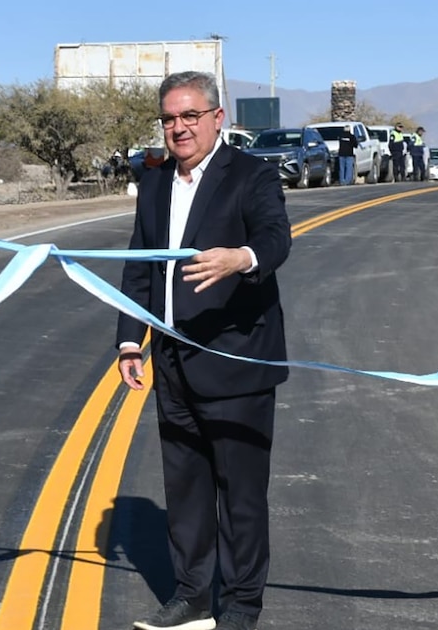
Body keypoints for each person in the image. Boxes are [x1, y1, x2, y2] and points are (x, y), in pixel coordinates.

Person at [117, 70, 291, 630]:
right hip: (172, 363)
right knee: (185, 491)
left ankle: (241, 607)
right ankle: (192, 598)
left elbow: (274, 238)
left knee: (240, 497)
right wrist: (130, 339)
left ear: (218, 118)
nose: (178, 128)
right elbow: (138, 268)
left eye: (190, 116)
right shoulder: (154, 185)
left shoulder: (252, 175)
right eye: (169, 118)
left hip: (237, 362)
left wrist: (241, 258)